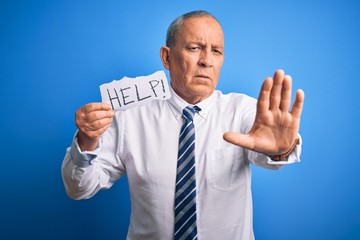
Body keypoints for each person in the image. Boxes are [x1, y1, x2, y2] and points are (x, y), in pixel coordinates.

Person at [62, 10, 304, 240]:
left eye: (216, 51)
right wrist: (87, 141)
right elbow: (79, 188)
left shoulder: (243, 111)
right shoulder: (130, 117)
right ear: (167, 57)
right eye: (195, 48)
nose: (206, 61)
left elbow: (268, 154)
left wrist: (280, 149)